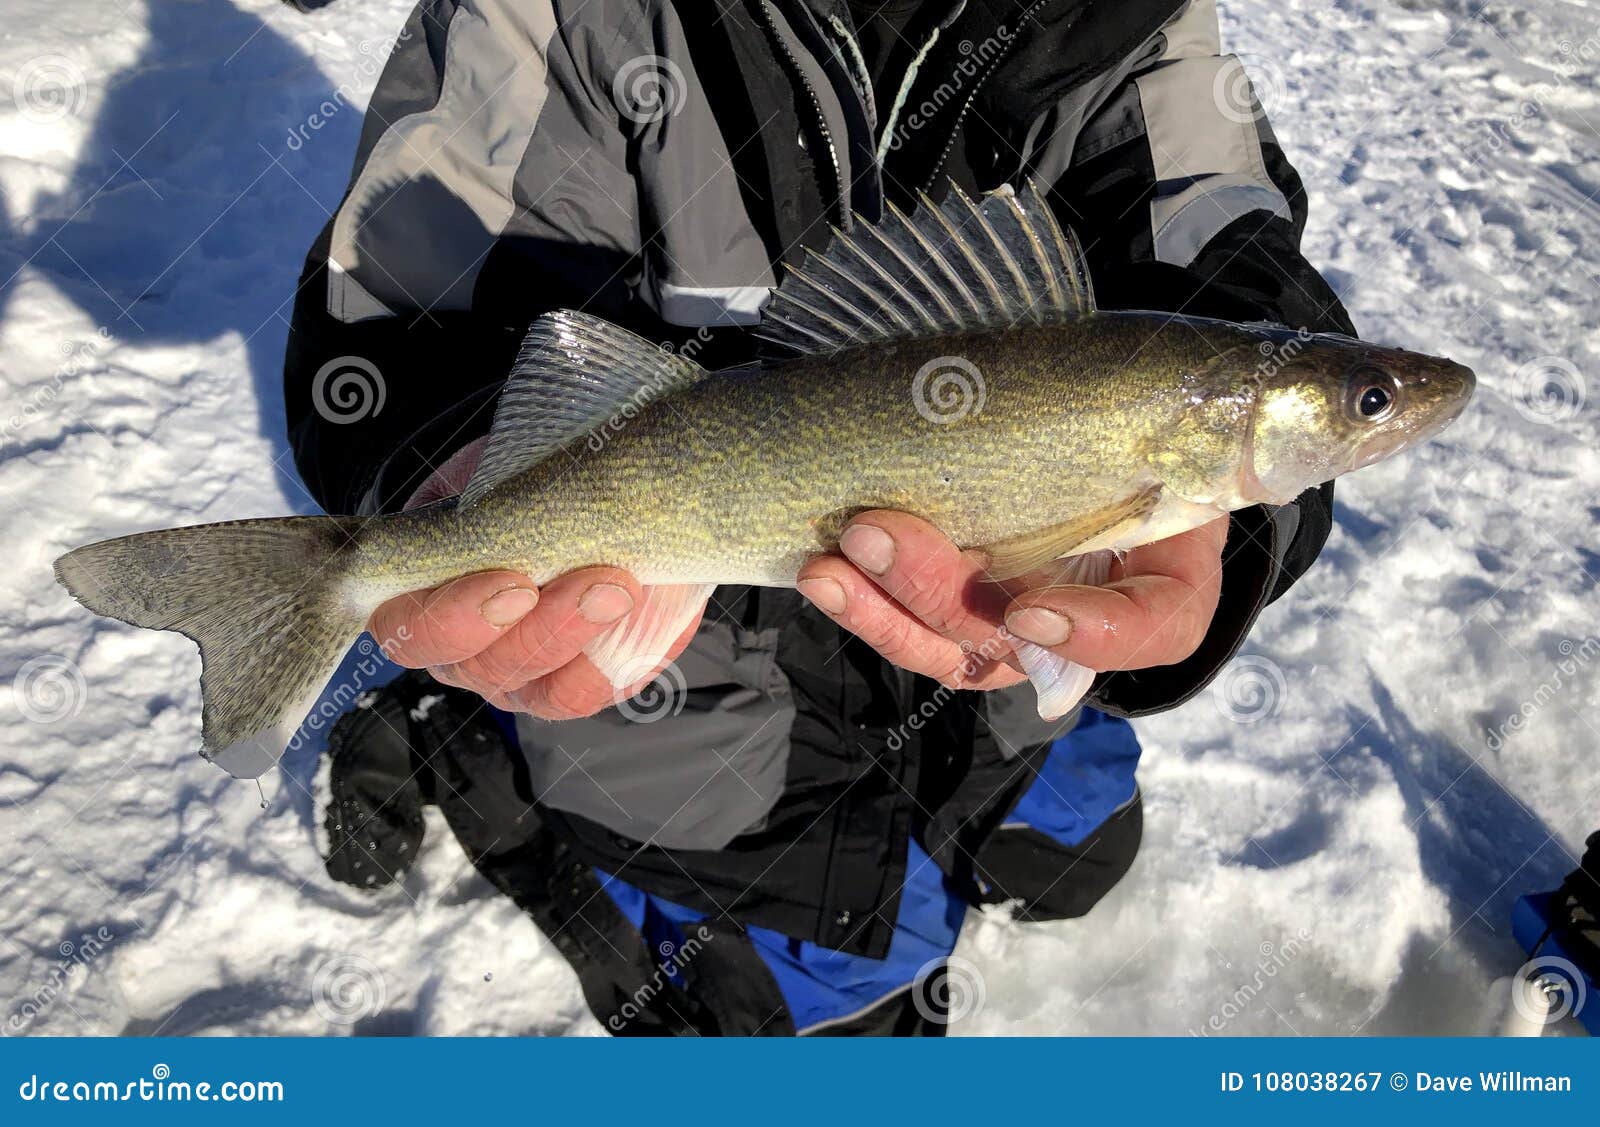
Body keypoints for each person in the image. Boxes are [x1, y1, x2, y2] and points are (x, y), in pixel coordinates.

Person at [286, 0, 1355, 1035]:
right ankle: (451, 725)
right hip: (696, 714)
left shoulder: (1148, 20)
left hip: (1001, 703)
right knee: (817, 1010)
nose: (1375, 419)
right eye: (1365, 405)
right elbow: (403, 299)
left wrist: (1233, 554)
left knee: (1073, 863)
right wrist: (449, 451)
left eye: (1365, 401)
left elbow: (1227, 237)